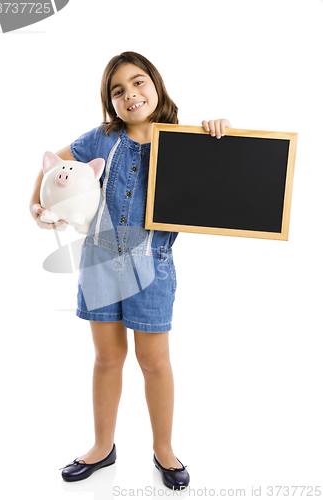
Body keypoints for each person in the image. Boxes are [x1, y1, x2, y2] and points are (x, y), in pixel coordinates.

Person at [29, 51, 232, 490]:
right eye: (118, 91)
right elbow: (54, 164)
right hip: (100, 263)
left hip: (153, 268)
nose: (130, 94)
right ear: (111, 102)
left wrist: (221, 133)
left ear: (155, 84)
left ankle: (164, 449)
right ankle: (103, 447)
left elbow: (225, 172)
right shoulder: (102, 138)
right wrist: (37, 205)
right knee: (106, 359)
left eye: (138, 82)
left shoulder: (184, 139)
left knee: (154, 362)